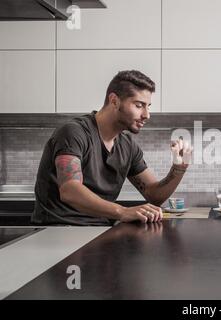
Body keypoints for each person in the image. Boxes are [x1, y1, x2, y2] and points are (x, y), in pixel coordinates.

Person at [32, 70, 193, 226]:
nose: (147, 115)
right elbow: (69, 191)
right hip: (59, 230)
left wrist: (178, 169)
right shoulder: (74, 132)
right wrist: (122, 212)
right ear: (114, 101)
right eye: (139, 105)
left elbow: (154, 196)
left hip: (99, 230)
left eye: (148, 106)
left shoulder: (127, 145)